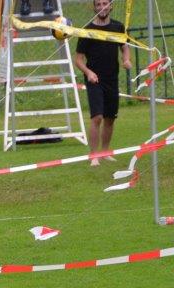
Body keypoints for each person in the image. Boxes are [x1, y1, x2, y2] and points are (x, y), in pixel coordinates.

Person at [75, 0, 132, 166]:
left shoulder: (118, 27)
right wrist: (88, 73)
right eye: (98, 4)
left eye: (105, 3)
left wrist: (126, 60)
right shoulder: (87, 30)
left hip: (112, 78)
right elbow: (78, 59)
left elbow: (124, 47)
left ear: (111, 6)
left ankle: (105, 152)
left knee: (110, 118)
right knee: (97, 117)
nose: (102, 7)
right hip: (94, 79)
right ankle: (93, 156)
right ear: (94, 7)